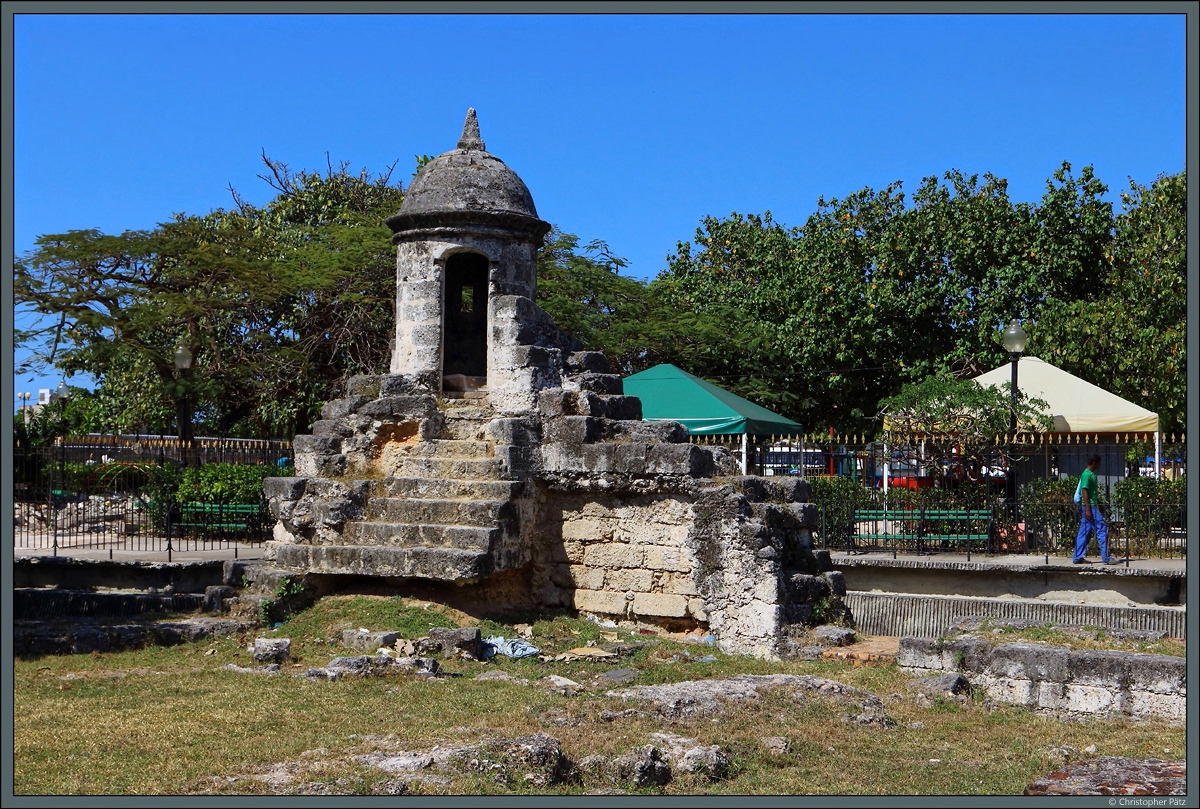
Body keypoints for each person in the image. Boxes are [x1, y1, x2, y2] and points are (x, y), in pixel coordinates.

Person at [1074, 454, 1117, 565]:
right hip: (1089, 507)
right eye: (1099, 463)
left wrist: (1099, 504)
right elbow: (1084, 491)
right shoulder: (1087, 475)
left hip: (1091, 506)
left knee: (1084, 533)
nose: (1100, 465)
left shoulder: (1090, 474)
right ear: (1094, 463)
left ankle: (1077, 557)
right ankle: (1106, 558)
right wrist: (1088, 509)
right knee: (1102, 529)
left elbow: (1092, 493)